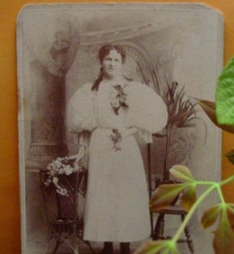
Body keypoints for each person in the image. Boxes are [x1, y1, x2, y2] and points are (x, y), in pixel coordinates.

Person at [66, 44, 168, 254]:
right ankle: (106, 245)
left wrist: (127, 132)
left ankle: (125, 244)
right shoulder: (91, 91)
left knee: (125, 194)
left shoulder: (134, 89)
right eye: (108, 59)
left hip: (125, 144)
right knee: (103, 193)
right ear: (101, 62)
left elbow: (148, 119)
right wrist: (85, 145)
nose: (112, 64)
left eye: (116, 60)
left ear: (122, 64)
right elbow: (82, 123)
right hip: (101, 144)